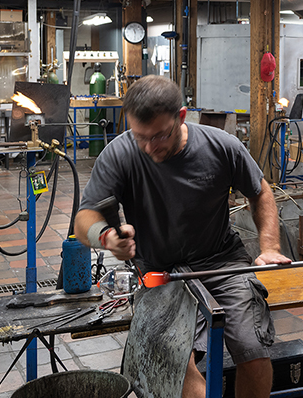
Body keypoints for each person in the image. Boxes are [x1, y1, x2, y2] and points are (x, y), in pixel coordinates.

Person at [74, 75, 290, 398]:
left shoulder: (221, 146)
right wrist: (105, 237)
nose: (149, 146)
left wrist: (269, 246)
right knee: (176, 365)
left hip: (222, 264)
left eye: (159, 135)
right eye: (140, 136)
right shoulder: (120, 154)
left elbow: (260, 192)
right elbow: (83, 219)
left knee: (254, 352)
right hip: (161, 274)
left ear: (182, 116)